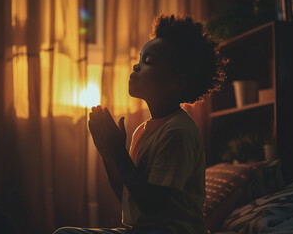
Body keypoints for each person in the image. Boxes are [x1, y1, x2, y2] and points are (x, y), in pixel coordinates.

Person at [54, 14, 227, 234]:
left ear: (178, 81)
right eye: (139, 60)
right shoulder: (143, 130)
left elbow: (153, 206)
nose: (136, 67)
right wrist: (107, 152)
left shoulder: (178, 132)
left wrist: (118, 151)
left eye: (148, 62)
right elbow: (130, 195)